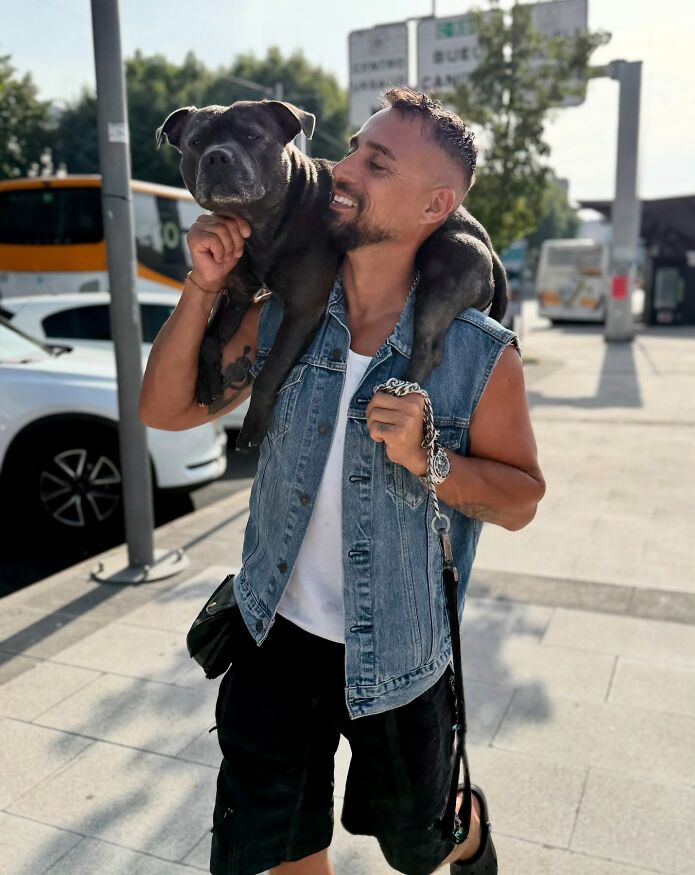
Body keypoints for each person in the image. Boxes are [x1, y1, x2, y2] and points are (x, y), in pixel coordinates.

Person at [140, 88, 545, 875]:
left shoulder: (477, 354)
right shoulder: (285, 311)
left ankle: (466, 827)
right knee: (283, 843)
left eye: (375, 161)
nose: (343, 169)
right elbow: (166, 408)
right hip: (272, 635)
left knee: (416, 842)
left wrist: (433, 459)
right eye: (353, 148)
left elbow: (522, 499)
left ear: (437, 203)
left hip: (400, 654)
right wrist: (204, 283)